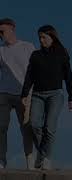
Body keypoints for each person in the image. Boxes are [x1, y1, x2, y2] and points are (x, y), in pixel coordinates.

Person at [21, 25, 72, 170]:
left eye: (44, 37)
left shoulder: (62, 54)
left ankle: (46, 159)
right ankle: (43, 154)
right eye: (40, 37)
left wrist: (71, 97)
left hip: (55, 95)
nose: (41, 40)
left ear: (52, 37)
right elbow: (29, 76)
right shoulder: (35, 55)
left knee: (49, 128)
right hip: (37, 95)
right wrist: (25, 94)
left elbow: (68, 77)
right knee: (33, 124)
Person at [0, 18, 35, 169]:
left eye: (3, 31)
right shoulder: (0, 50)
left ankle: (30, 162)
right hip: (4, 94)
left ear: (12, 29)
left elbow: (35, 71)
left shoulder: (27, 47)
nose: (1, 35)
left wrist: (32, 94)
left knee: (26, 128)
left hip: (24, 94)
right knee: (1, 127)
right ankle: (1, 161)